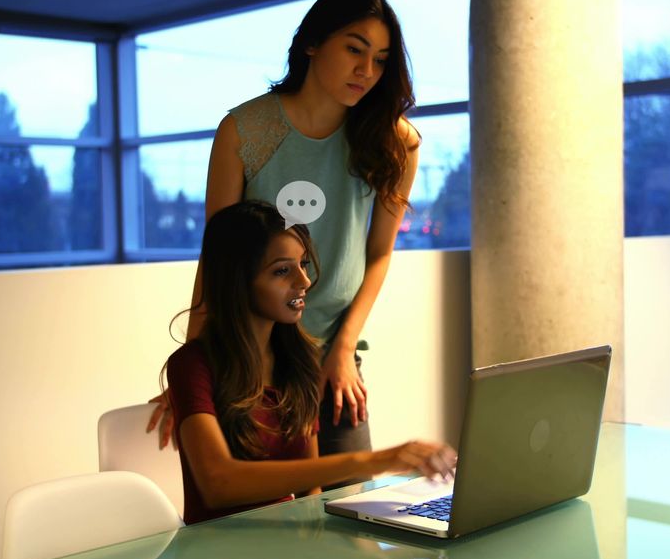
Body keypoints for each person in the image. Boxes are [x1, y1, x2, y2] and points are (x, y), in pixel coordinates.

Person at [149, 0, 421, 474]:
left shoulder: (394, 141)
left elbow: (379, 254)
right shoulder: (244, 131)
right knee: (253, 522)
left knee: (350, 512)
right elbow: (219, 257)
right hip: (247, 362)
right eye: (355, 49)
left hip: (333, 359)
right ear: (313, 44)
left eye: (380, 60)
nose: (367, 70)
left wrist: (343, 349)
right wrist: (192, 369)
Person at [165, 201, 454, 524]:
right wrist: (374, 460)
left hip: (288, 544)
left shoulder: (299, 361)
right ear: (238, 280)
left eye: (303, 265)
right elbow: (218, 484)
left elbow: (310, 493)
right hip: (218, 552)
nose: (303, 281)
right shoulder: (191, 365)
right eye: (282, 270)